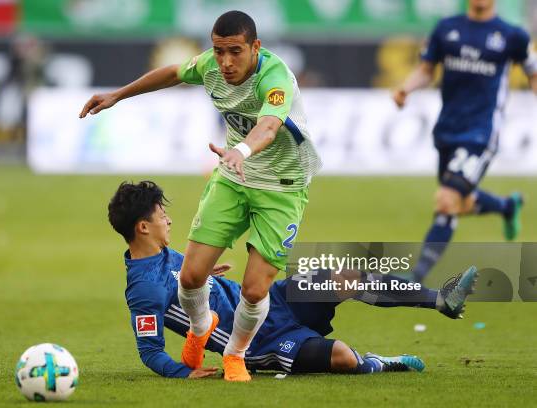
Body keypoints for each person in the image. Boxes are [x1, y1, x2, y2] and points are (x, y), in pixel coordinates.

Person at [80, 11, 322, 381]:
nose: (225, 62)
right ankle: (200, 328)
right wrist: (118, 95)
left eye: (235, 51)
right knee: (191, 276)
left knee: (255, 290)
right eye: (219, 50)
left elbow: (269, 125)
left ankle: (235, 355)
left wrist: (240, 151)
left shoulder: (274, 79)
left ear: (255, 47)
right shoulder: (211, 65)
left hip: (281, 187)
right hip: (232, 178)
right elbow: (173, 73)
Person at [108, 180, 479, 379]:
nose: (169, 220)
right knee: (343, 357)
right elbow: (149, 350)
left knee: (346, 277)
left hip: (270, 298)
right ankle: (377, 362)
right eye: (161, 216)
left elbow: (187, 281)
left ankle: (440, 300)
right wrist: (181, 372)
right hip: (257, 339)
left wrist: (207, 274)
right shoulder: (143, 288)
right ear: (143, 227)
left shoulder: (165, 256)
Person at [393, 0, 537, 283]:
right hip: (447, 128)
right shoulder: (447, 29)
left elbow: (533, 72)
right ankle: (507, 206)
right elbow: (426, 69)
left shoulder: (512, 35)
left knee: (447, 201)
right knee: (460, 201)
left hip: (481, 133)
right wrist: (405, 89)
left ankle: (415, 278)